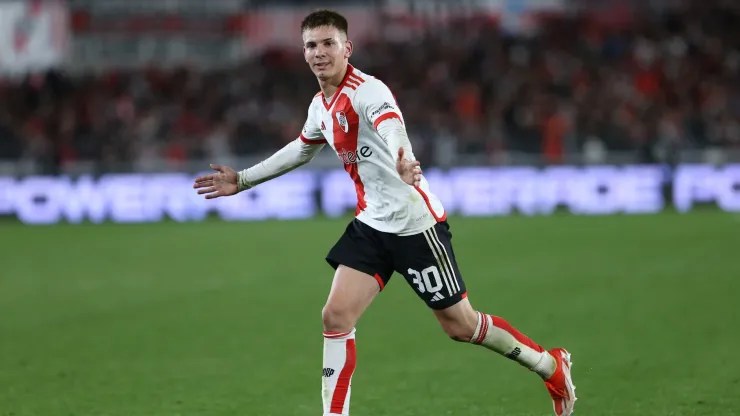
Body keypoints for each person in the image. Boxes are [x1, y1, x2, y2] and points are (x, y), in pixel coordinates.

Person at [193, 10, 576, 416]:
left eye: (328, 43)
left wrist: (403, 158)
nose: (319, 53)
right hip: (372, 224)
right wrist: (244, 180)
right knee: (335, 315)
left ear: (347, 48)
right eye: (311, 45)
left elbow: (391, 125)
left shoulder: (368, 90)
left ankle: (549, 365)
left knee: (460, 326)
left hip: (415, 225)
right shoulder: (320, 105)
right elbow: (302, 149)